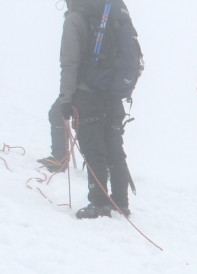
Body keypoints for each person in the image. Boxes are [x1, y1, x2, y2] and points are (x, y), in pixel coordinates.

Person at [57, 0, 135, 219]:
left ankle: (99, 204)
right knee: (114, 148)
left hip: (87, 94)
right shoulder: (111, 16)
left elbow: (69, 62)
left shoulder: (75, 19)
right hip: (113, 95)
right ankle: (121, 202)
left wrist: (66, 99)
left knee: (93, 149)